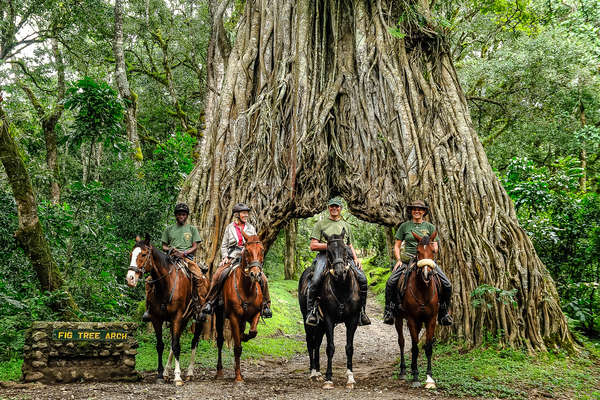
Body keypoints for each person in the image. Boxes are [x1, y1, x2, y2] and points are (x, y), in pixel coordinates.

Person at [382, 200, 453, 326]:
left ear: (424, 212)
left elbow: (435, 247)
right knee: (391, 282)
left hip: (427, 260)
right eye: (414, 209)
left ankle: (443, 313)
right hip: (407, 260)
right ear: (411, 211)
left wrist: (431, 247)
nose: (417, 211)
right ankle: (389, 311)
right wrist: (398, 260)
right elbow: (397, 246)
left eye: (420, 209)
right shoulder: (404, 226)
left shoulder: (430, 227)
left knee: (447, 284)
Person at [305, 198, 371, 327]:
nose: (334, 208)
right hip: (326, 256)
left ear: (341, 208)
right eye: (332, 206)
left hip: (344, 256)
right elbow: (313, 245)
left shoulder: (346, 225)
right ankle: (311, 312)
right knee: (316, 279)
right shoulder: (321, 224)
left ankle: (361, 312)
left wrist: (356, 259)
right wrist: (332, 245)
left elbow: (350, 245)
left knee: (362, 279)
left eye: (337, 206)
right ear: (328, 208)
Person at [201, 203, 272, 318]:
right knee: (218, 275)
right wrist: (225, 257)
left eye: (247, 213)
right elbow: (224, 245)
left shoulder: (251, 228)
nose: (246, 215)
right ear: (237, 214)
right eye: (244, 213)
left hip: (248, 258)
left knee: (263, 279)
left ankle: (266, 305)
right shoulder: (230, 227)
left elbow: (255, 244)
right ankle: (210, 301)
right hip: (233, 256)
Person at [142, 203, 206, 322]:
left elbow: (195, 246)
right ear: (175, 216)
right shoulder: (169, 229)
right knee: (149, 280)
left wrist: (185, 253)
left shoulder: (192, 229)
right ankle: (149, 309)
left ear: (186, 216)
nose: (181, 216)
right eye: (179, 214)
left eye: (183, 214)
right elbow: (164, 246)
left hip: (187, 259)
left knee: (199, 277)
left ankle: (200, 307)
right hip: (170, 258)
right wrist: (171, 250)